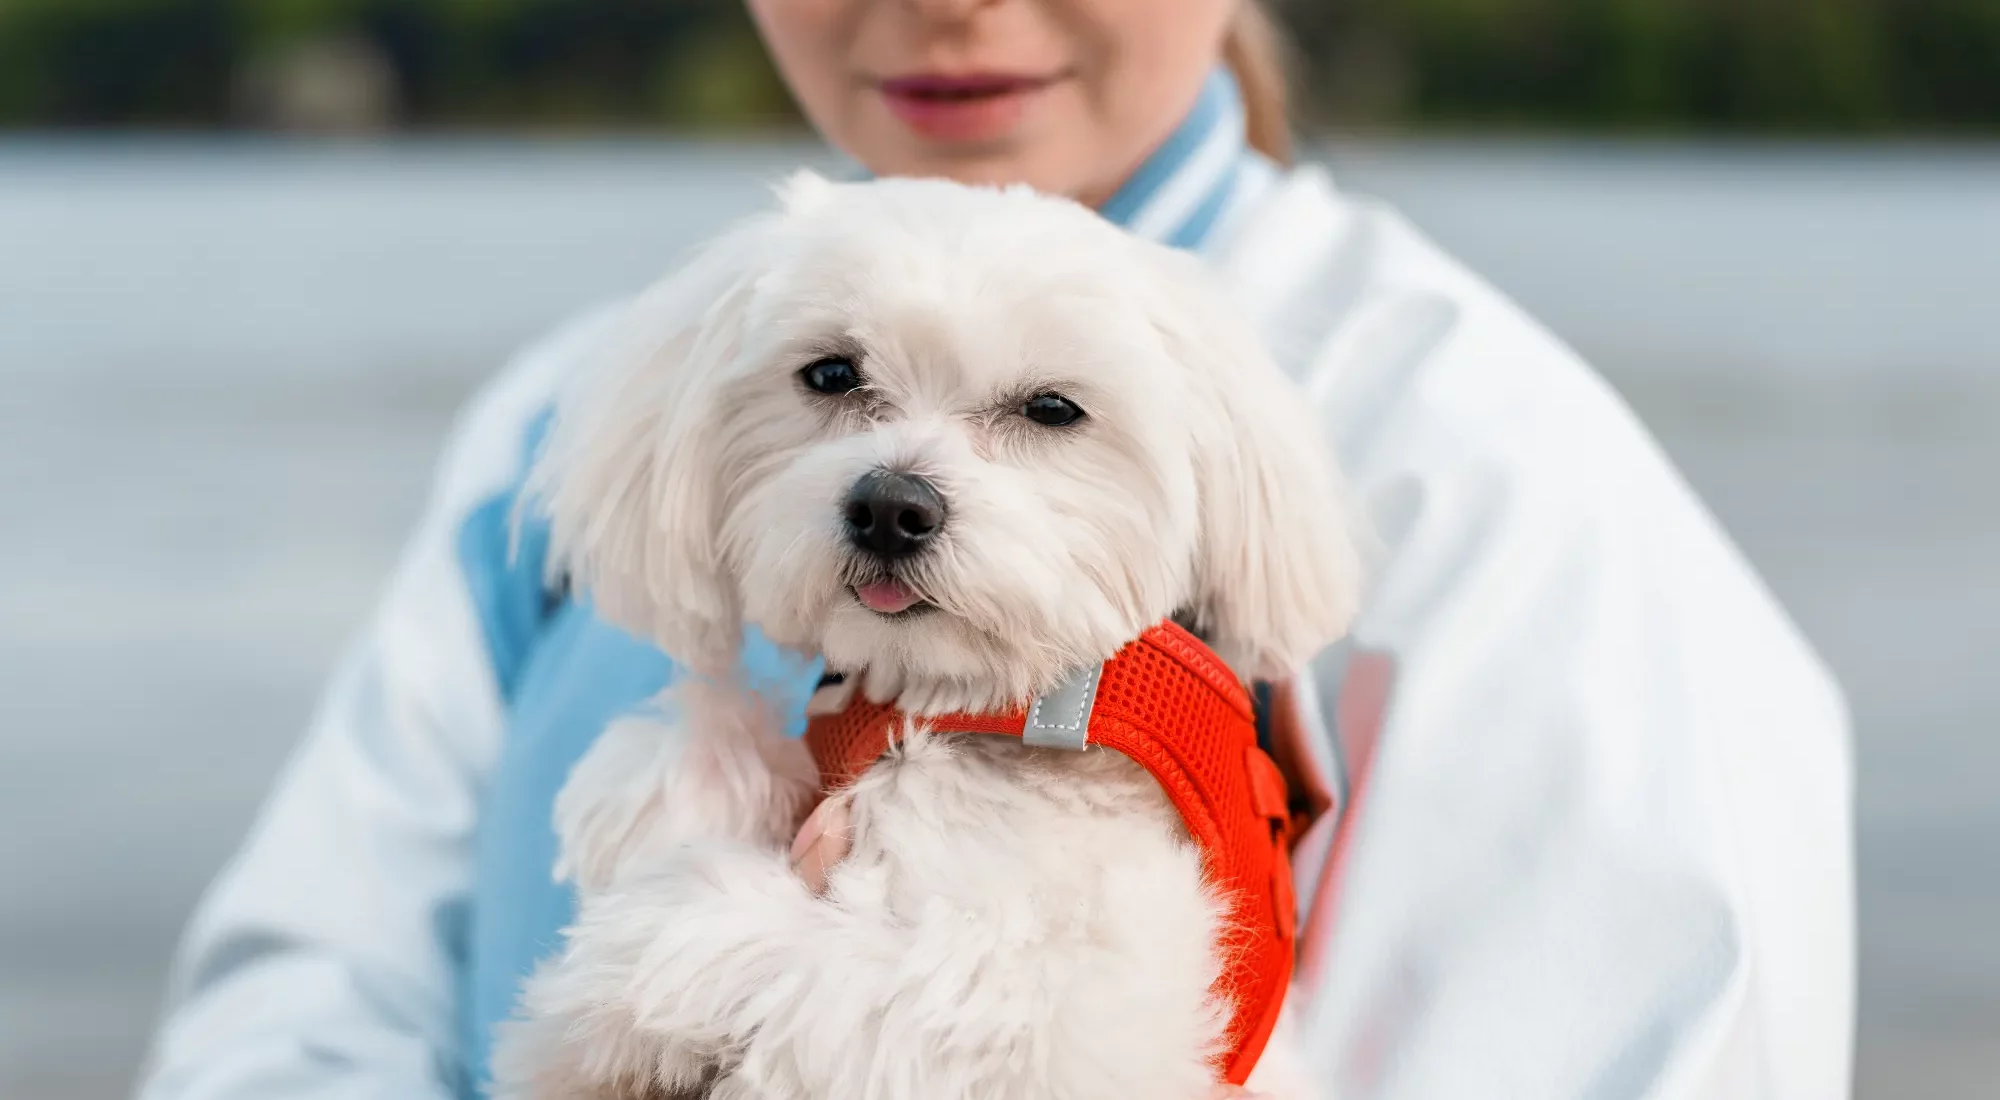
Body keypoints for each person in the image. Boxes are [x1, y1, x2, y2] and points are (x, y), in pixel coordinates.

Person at [135, 2, 1855, 1099]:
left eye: (1040, 416)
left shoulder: (1501, 489)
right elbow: (307, 994)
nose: (950, 1)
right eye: (834, 386)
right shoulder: (564, 423)